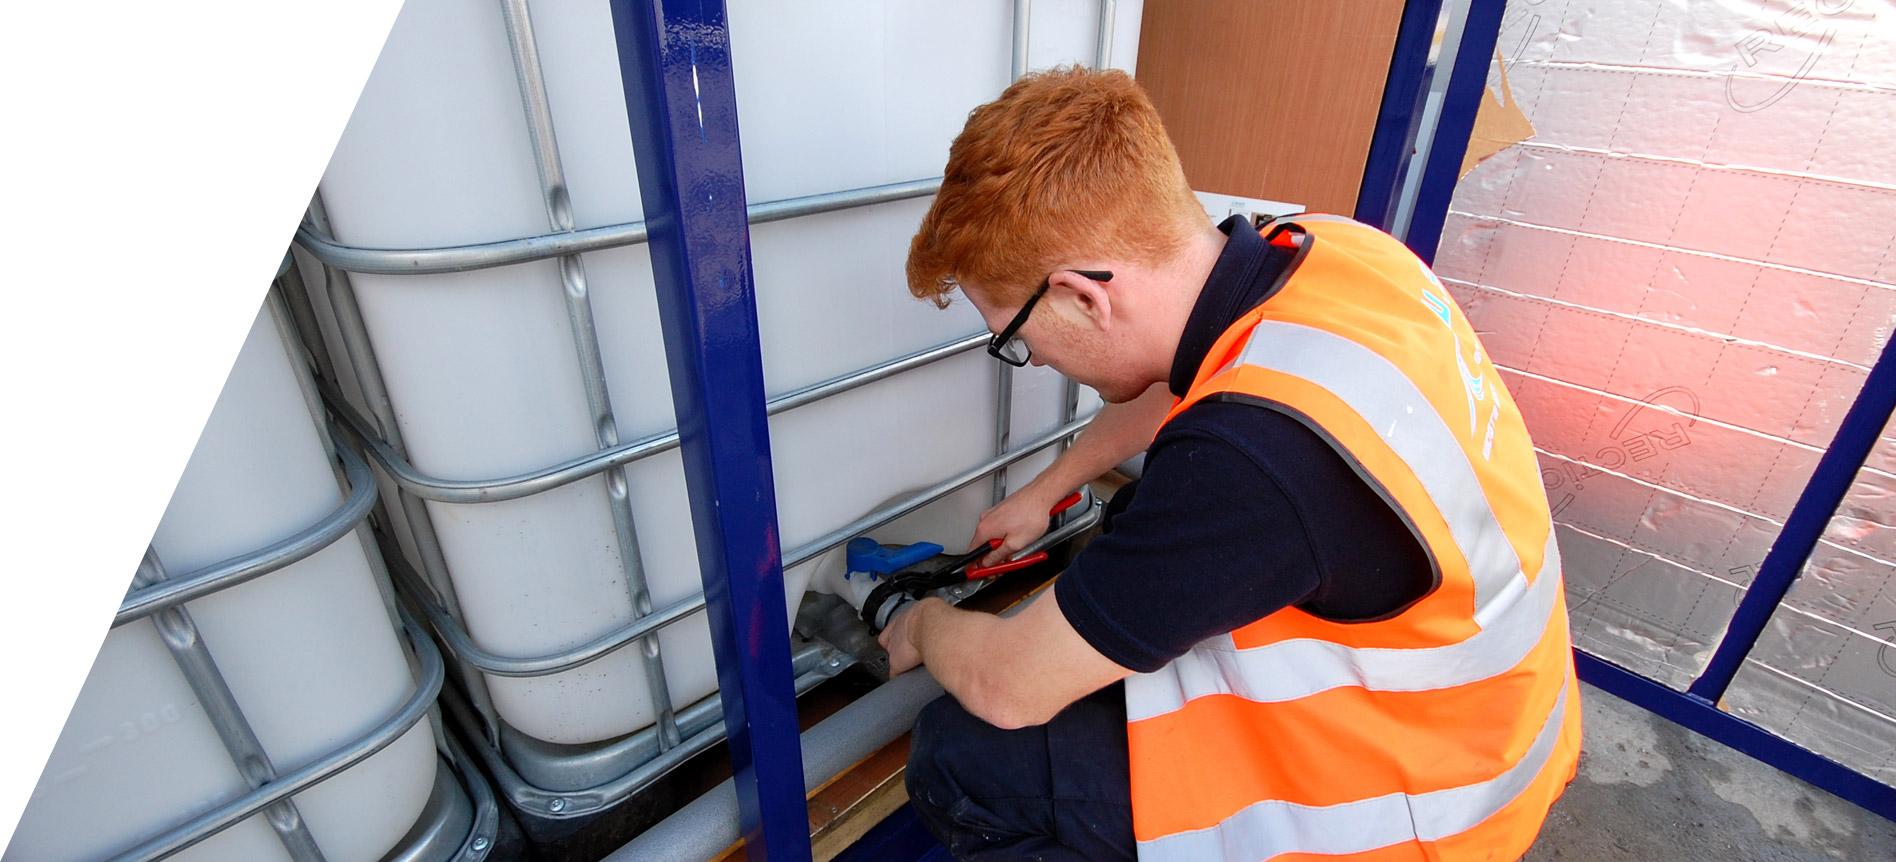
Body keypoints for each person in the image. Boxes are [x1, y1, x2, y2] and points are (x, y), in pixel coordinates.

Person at [879, 66, 1582, 861]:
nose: (1031, 361)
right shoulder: (1337, 253)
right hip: (1495, 722)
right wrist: (1046, 490)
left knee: (964, 756)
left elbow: (1007, 687)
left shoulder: (1250, 463)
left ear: (1083, 296)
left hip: (1422, 815)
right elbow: (1196, 377)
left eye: (1013, 336)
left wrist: (924, 624)